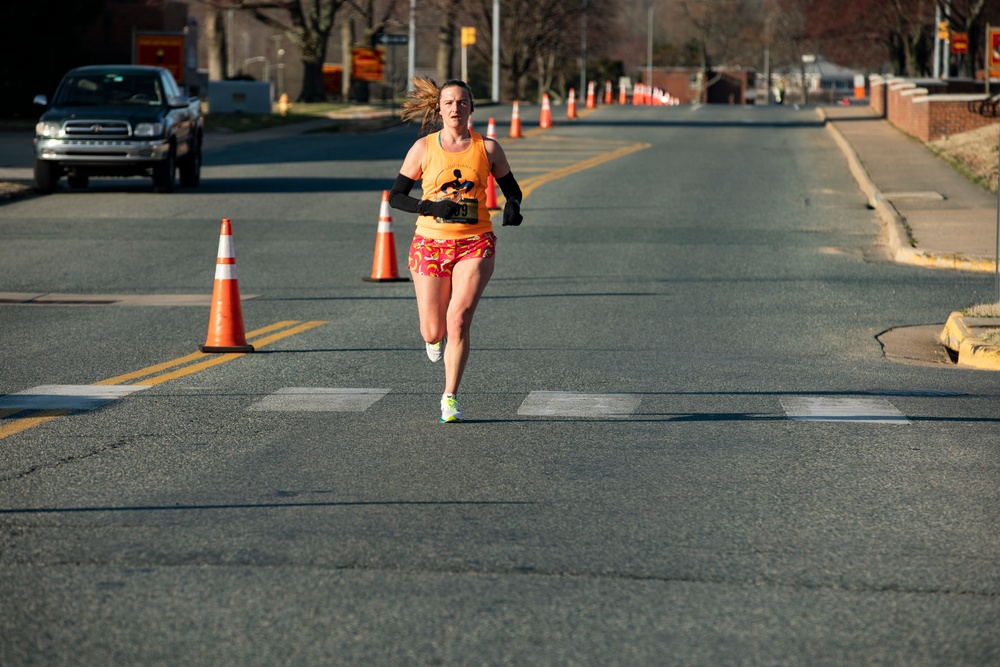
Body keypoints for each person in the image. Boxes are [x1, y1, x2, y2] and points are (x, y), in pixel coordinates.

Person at [388, 78, 524, 423]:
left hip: (475, 241)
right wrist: (430, 208)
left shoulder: (488, 148)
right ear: (439, 109)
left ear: (471, 108)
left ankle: (449, 396)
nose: (455, 108)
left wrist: (513, 207)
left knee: (459, 320)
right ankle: (433, 340)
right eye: (449, 103)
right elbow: (397, 197)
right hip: (430, 243)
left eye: (462, 102)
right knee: (433, 331)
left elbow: (512, 189)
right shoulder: (423, 148)